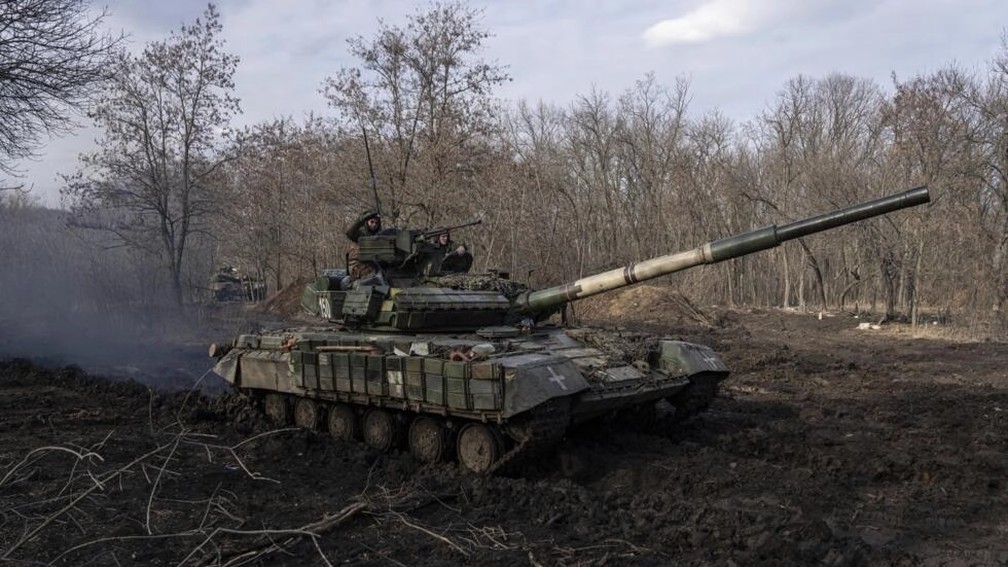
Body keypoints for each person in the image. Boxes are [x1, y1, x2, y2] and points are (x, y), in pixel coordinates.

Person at [345, 210, 383, 280]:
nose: (374, 225)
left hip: (372, 267)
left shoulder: (378, 236)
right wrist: (362, 219)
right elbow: (349, 233)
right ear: (366, 222)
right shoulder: (359, 235)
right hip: (357, 267)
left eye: (376, 223)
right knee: (377, 277)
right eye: (371, 222)